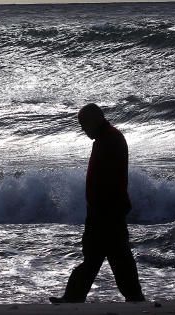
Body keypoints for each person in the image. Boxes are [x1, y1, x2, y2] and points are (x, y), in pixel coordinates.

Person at [50, 103, 145, 303]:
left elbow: (109, 180)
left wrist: (99, 209)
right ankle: (133, 296)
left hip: (107, 210)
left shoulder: (110, 139)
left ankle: (75, 297)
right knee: (111, 257)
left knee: (106, 257)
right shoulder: (107, 138)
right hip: (107, 209)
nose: (83, 129)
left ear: (95, 120)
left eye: (84, 124)